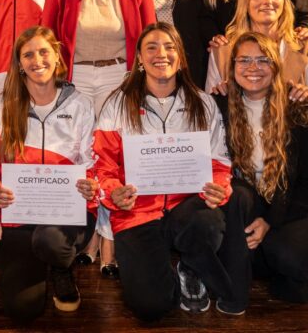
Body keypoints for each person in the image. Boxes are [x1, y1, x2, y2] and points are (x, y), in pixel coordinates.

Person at [216, 32, 308, 313]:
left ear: (275, 66)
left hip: (299, 202)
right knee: (251, 254)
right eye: (244, 60)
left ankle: (303, 262)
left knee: (288, 257)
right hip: (254, 199)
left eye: (263, 60)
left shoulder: (301, 108)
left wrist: (270, 221)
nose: (253, 68)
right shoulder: (220, 106)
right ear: (232, 66)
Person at [41, 0, 156, 276]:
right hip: (75, 79)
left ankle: (108, 240)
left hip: (119, 78)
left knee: (114, 159)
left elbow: (150, 32)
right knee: (83, 158)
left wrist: (143, 80)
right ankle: (88, 236)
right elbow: (46, 32)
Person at [93, 22, 233, 321]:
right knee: (150, 306)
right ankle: (166, 272)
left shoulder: (203, 103)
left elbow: (220, 163)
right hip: (137, 212)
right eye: (152, 47)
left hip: (187, 207)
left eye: (170, 47)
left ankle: (190, 267)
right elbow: (101, 166)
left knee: (208, 223)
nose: (162, 54)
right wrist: (114, 193)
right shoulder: (117, 105)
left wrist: (220, 186)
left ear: (180, 56)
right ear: (139, 59)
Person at [0, 26, 98, 320]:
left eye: (43, 52)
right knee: (22, 311)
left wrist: (92, 184)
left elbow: (96, 162)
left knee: (50, 243)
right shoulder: (1, 106)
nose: (36, 60)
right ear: (18, 63)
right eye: (28, 55)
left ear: (57, 57)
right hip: (19, 216)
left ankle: (61, 267)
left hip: (67, 213)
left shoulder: (80, 105)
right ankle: (42, 263)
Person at [206, 0, 308, 126]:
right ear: (245, 3)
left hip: (293, 140)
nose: (267, 1)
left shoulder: (306, 46)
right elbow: (210, 113)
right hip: (240, 143)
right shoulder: (222, 50)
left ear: (284, 1)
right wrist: (223, 93)